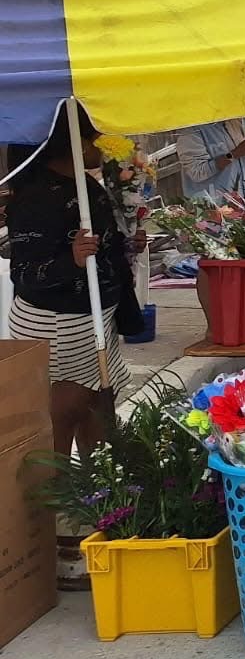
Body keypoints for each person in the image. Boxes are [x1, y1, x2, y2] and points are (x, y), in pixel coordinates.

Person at [7, 107, 143, 458]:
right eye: (95, 135)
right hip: (58, 324)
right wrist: (72, 260)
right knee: (64, 411)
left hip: (94, 318)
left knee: (97, 405)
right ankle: (56, 485)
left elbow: (104, 244)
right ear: (76, 142)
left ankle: (97, 481)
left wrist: (127, 243)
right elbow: (24, 272)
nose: (101, 143)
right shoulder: (36, 197)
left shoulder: (86, 185)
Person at [176, 116, 245, 198]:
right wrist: (235, 153)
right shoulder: (190, 132)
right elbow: (197, 172)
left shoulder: (231, 124)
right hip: (216, 206)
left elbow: (241, 166)